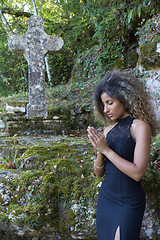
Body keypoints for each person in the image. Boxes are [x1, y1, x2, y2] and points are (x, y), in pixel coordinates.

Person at [87, 71, 158, 240]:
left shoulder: (140, 127)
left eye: (110, 103)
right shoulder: (107, 130)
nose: (106, 110)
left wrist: (106, 151)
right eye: (103, 105)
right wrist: (99, 150)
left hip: (129, 200)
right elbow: (99, 173)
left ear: (124, 99)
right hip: (106, 198)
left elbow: (137, 173)